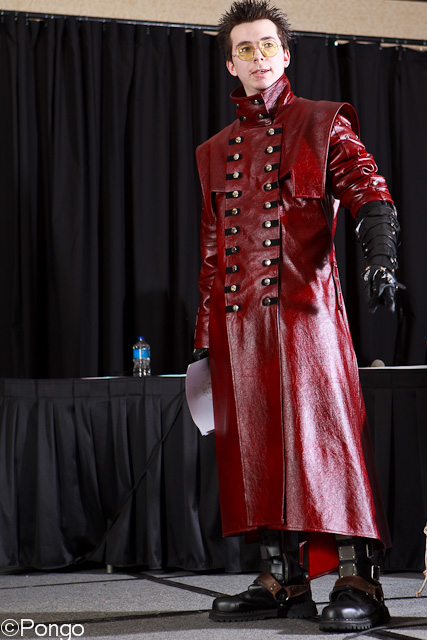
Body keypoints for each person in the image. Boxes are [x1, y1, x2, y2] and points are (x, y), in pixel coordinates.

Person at [193, 0, 402, 631]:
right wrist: (204, 339)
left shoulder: (322, 121)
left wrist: (380, 256)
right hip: (239, 327)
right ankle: (283, 581)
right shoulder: (214, 151)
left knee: (327, 445)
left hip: (308, 319)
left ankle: (359, 581)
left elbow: (367, 187)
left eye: (267, 45)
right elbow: (212, 252)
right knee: (254, 451)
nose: (257, 57)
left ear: (285, 55)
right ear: (231, 64)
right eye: (244, 49)